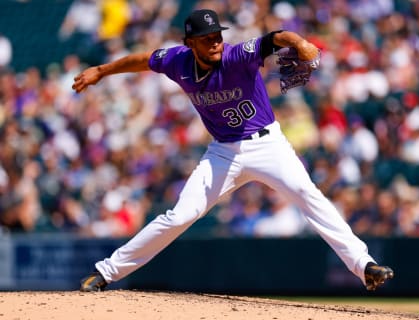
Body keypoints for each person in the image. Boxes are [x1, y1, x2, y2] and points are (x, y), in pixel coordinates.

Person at [73, 9, 393, 292]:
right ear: (190, 43)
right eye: (206, 38)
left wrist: (300, 43)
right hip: (223, 153)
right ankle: (106, 272)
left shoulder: (237, 55)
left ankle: (364, 266)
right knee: (179, 216)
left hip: (268, 145)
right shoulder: (177, 61)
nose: (215, 42)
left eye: (217, 36)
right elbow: (143, 60)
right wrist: (101, 71)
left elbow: (275, 38)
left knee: (309, 195)